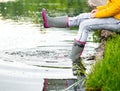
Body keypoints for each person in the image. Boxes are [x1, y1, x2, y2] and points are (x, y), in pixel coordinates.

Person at [41, 0, 120, 76]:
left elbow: (117, 7)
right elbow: (112, 5)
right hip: (115, 16)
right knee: (82, 17)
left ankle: (74, 58)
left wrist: (97, 15)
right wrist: (99, 9)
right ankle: (51, 22)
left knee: (84, 25)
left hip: (117, 21)